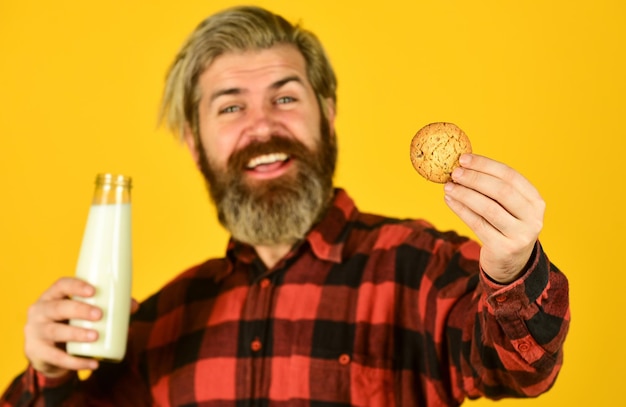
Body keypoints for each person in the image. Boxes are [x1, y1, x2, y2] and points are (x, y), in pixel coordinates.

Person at [0, 5, 569, 406]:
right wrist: (47, 375)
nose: (262, 126)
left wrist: (512, 267)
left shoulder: (421, 270)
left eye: (286, 97)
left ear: (328, 114)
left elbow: (520, 368)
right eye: (229, 108)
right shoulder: (161, 324)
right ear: (195, 143)